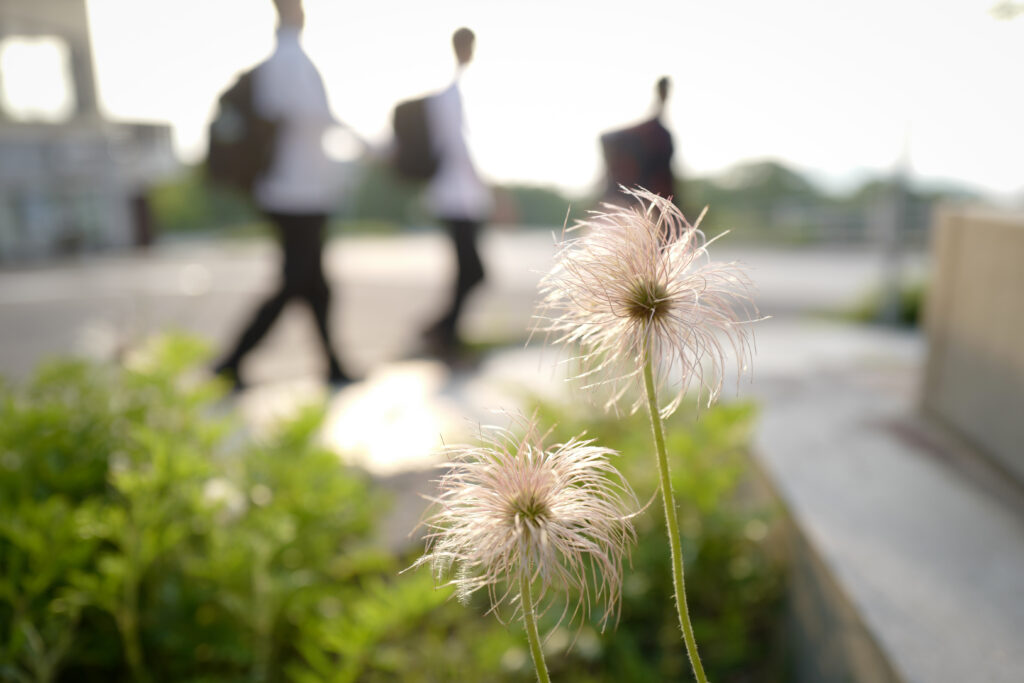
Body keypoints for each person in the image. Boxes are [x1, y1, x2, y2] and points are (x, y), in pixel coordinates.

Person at [214, 0, 353, 389]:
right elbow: (315, 116)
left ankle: (333, 365)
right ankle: (232, 359)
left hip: (297, 191)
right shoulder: (288, 61)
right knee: (296, 281)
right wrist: (370, 145)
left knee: (315, 285)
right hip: (295, 194)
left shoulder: (283, 61)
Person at [419, 27, 493, 358]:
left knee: (468, 272)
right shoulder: (451, 94)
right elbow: (458, 147)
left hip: (457, 198)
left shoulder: (455, 92)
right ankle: (442, 334)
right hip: (456, 198)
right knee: (472, 272)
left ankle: (443, 332)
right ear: (462, 47)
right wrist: (491, 192)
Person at [600, 76, 679, 211]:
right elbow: (606, 138)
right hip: (638, 198)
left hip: (651, 200)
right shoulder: (656, 134)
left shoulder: (660, 134)